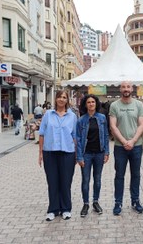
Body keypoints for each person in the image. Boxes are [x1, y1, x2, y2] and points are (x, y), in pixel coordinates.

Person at [38, 90, 77, 221]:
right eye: (59, 97)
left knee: (66, 182)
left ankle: (66, 208)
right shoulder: (48, 115)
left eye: (64, 97)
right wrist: (40, 154)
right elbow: (42, 134)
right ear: (55, 99)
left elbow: (75, 136)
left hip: (68, 153)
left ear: (67, 100)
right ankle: (53, 209)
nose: (61, 99)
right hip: (50, 153)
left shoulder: (72, 116)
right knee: (52, 182)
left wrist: (77, 154)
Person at [109, 81, 143, 215]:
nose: (126, 89)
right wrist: (125, 141)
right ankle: (118, 202)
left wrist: (133, 141)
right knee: (119, 175)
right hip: (120, 147)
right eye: (124, 87)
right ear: (120, 89)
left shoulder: (139, 105)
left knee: (135, 175)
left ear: (132, 89)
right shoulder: (114, 105)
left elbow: (142, 125)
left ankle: (135, 200)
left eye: (128, 87)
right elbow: (113, 126)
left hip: (136, 146)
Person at [76, 94, 110, 218]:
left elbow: (106, 135)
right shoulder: (81, 120)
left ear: (96, 104)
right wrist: (79, 157)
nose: (91, 104)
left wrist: (107, 152)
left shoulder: (102, 118)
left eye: (93, 102)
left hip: (99, 153)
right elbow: (78, 139)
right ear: (85, 104)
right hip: (87, 154)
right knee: (85, 180)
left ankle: (96, 202)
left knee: (98, 179)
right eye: (88, 102)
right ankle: (85, 203)